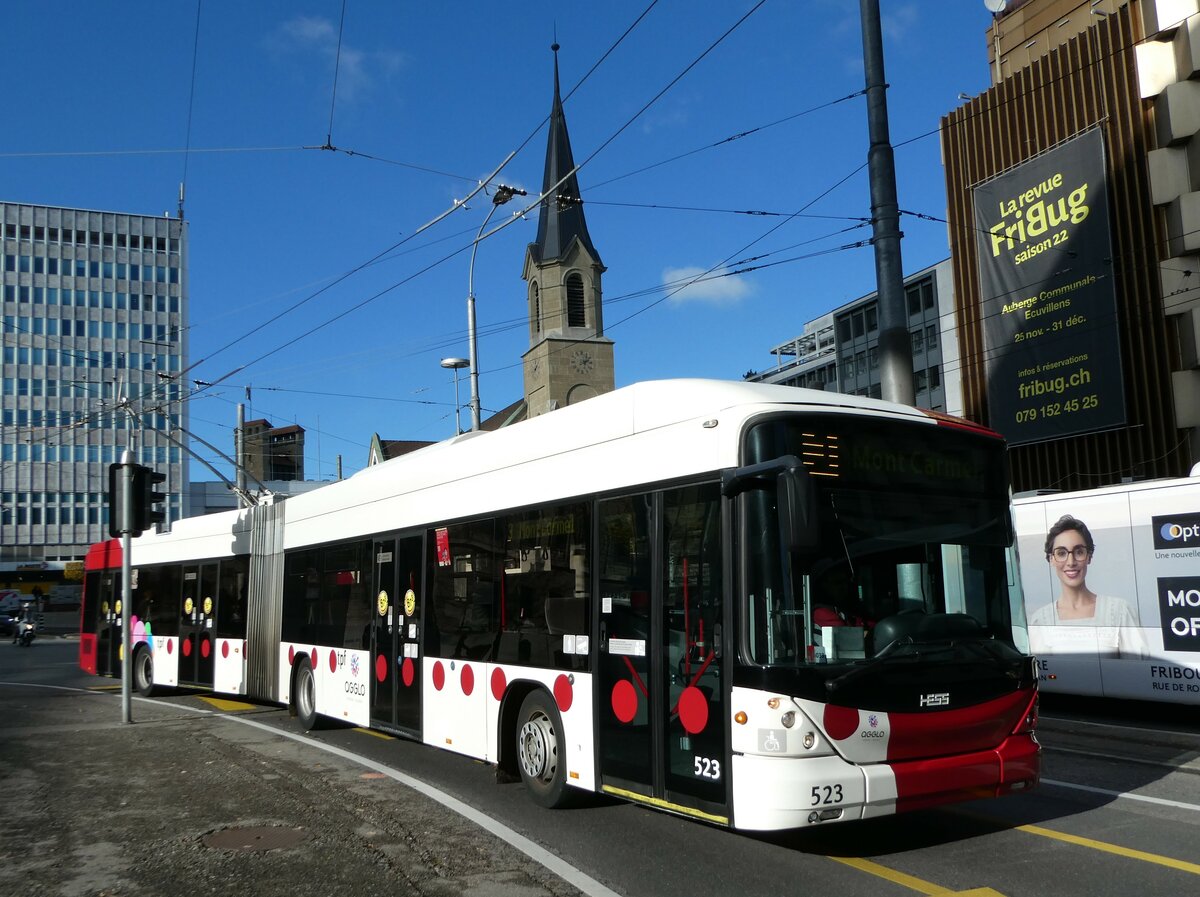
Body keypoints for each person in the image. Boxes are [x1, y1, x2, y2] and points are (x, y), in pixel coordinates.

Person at [1028, 515, 1147, 659]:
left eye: (1079, 552)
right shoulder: (1040, 620)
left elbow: (1138, 673)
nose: (1071, 562)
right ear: (1051, 559)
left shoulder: (1120, 611)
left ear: (1089, 556)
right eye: (1061, 553)